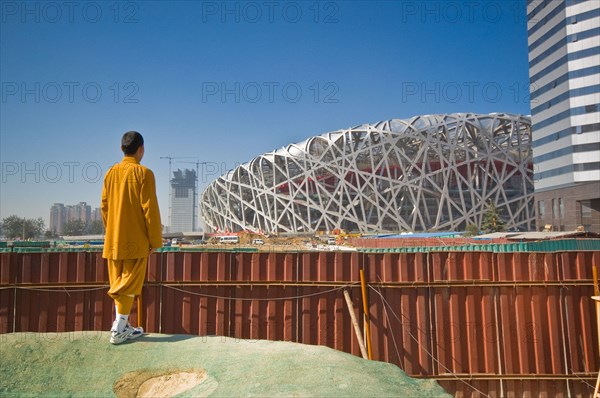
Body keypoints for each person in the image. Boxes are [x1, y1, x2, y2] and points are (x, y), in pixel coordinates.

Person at [101, 131, 162, 344]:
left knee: (120, 279)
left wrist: (112, 230)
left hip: (113, 240)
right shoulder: (144, 173)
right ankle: (118, 330)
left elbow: (104, 207)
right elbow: (150, 210)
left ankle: (124, 324)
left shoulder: (110, 173)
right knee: (127, 285)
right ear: (141, 149)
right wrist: (155, 241)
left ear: (121, 149)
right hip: (135, 241)